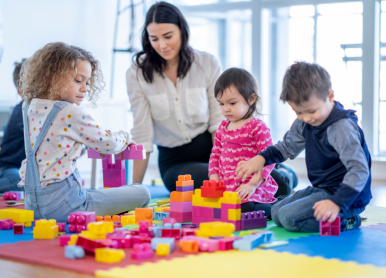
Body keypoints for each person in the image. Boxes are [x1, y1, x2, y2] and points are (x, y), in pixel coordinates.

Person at [127, 1, 296, 195]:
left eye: (168, 36)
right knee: (220, 187)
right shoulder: (136, 73)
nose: (162, 45)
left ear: (182, 31)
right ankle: (280, 173)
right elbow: (142, 134)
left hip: (217, 149)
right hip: (176, 162)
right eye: (154, 38)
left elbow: (219, 120)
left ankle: (281, 172)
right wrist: (135, 191)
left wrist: (228, 165)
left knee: (265, 181)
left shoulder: (206, 63)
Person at [17, 42, 150, 222]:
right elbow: (108, 143)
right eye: (78, 80)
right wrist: (125, 138)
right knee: (142, 192)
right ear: (51, 77)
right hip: (66, 208)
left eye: (87, 82)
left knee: (95, 192)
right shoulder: (69, 111)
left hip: (32, 207)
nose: (85, 88)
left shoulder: (29, 106)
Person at [236, 62, 371, 232]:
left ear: (330, 96)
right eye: (298, 112)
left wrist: (337, 203)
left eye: (312, 111)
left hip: (346, 196)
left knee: (288, 219)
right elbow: (287, 147)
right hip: (322, 188)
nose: (306, 118)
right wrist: (261, 159)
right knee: (277, 213)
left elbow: (359, 170)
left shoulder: (340, 128)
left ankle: (349, 220)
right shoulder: (304, 122)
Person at [209, 68, 277, 217]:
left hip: (252, 184)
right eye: (221, 104)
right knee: (216, 210)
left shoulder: (257, 127)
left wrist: (252, 184)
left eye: (232, 103)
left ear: (251, 99)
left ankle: (280, 207)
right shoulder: (222, 127)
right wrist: (214, 180)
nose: (226, 109)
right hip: (229, 187)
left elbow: (269, 158)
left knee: (244, 210)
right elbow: (215, 155)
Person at [0, 59, 26, 193]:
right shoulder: (22, 111)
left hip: (26, 169)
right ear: (20, 91)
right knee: (18, 183)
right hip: (8, 167)